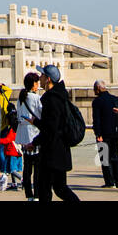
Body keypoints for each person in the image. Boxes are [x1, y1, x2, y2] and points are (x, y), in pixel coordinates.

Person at [35, 64, 79, 202]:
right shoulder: (59, 96)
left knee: (46, 188)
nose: (39, 78)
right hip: (59, 150)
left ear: (48, 79)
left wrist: (35, 140)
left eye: (42, 76)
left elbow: (50, 128)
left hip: (52, 152)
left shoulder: (52, 100)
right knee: (59, 187)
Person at [90, 80, 118, 187]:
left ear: (98, 88)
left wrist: (98, 134)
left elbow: (97, 119)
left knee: (105, 158)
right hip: (115, 132)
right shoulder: (115, 99)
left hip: (103, 134)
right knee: (115, 156)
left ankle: (109, 181)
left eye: (94, 88)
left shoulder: (97, 102)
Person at [16, 73, 43, 201]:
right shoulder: (36, 98)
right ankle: (37, 194)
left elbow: (18, 116)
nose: (38, 85)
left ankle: (29, 195)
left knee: (27, 167)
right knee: (37, 168)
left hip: (23, 134)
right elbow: (42, 114)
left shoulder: (20, 98)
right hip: (34, 132)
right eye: (36, 83)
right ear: (32, 84)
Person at [0, 119, 22, 191]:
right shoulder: (19, 129)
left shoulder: (12, 130)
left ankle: (22, 179)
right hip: (16, 152)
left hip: (12, 152)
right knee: (12, 169)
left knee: (12, 170)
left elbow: (7, 140)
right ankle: (14, 184)